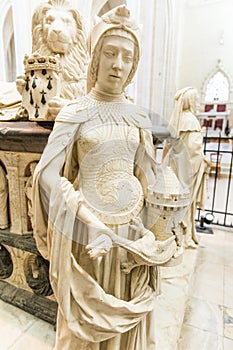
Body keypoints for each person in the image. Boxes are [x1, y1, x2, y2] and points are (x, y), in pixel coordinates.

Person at [32, 5, 179, 349]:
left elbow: (147, 179)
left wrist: (155, 228)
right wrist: (85, 217)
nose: (118, 63)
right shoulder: (75, 112)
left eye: (127, 57)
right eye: (110, 53)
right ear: (95, 58)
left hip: (129, 243)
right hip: (87, 239)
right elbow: (47, 173)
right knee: (82, 336)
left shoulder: (139, 117)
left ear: (133, 66)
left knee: (123, 339)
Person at [162, 87, 211, 248]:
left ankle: (175, 235)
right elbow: (193, 152)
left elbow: (170, 146)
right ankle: (182, 237)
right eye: (196, 99)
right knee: (184, 204)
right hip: (186, 171)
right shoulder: (190, 120)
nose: (197, 103)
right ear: (190, 101)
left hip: (176, 168)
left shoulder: (178, 120)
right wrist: (204, 161)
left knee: (175, 202)